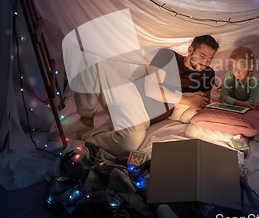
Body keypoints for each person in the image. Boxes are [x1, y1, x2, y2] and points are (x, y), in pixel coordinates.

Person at [51, 35, 219, 156]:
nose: (204, 62)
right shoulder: (168, 56)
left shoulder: (207, 75)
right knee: (88, 63)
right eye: (202, 56)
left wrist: (197, 107)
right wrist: (188, 100)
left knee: (129, 144)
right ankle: (86, 118)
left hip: (142, 117)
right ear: (190, 49)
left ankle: (86, 135)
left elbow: (202, 105)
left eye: (209, 59)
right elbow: (151, 89)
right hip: (130, 93)